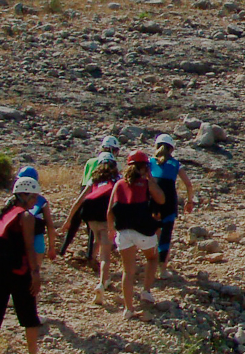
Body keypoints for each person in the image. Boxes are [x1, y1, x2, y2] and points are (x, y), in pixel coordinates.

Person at [0, 175, 43, 354]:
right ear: (24, 196)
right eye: (33, 198)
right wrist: (35, 273)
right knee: (29, 316)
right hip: (18, 271)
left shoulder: (1, 215)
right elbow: (29, 247)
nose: (35, 202)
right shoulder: (25, 217)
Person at [108, 151, 167, 321]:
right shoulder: (146, 183)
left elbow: (110, 210)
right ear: (145, 167)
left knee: (128, 270)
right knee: (152, 258)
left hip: (123, 231)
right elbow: (161, 199)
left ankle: (128, 309)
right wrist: (151, 179)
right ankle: (146, 291)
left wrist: (111, 230)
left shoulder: (118, 184)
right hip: (142, 230)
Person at [58, 157, 118, 305]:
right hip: (106, 219)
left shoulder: (94, 180)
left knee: (97, 239)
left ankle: (92, 260)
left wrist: (68, 220)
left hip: (90, 218)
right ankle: (102, 282)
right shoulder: (116, 180)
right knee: (105, 254)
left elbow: (79, 201)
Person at [149, 134, 194, 278]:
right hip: (169, 202)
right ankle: (162, 269)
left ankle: (151, 264)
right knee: (166, 234)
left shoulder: (149, 162)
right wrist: (189, 201)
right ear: (171, 149)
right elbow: (188, 184)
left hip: (153, 202)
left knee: (154, 234)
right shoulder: (175, 164)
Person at [15, 165, 56, 280]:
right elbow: (50, 226)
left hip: (18, 241)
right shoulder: (42, 202)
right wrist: (52, 247)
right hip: (37, 242)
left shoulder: (13, 201)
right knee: (34, 275)